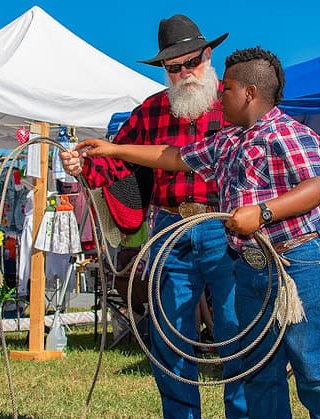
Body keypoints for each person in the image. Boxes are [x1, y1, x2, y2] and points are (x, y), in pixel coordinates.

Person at [72, 46, 320, 418]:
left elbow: (318, 188)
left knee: (313, 364)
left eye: (228, 89)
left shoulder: (288, 132)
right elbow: (171, 157)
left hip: (299, 259)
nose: (220, 95)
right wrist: (110, 148)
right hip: (252, 265)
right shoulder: (228, 141)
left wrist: (262, 212)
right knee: (259, 367)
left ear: (250, 93)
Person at [60, 14, 247, 419]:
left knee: (237, 328)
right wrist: (83, 166)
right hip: (169, 230)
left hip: (226, 226)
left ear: (208, 55)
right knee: (169, 333)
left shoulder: (231, 105)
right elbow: (116, 164)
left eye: (191, 63)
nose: (184, 74)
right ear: (164, 70)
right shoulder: (151, 111)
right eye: (173, 68)